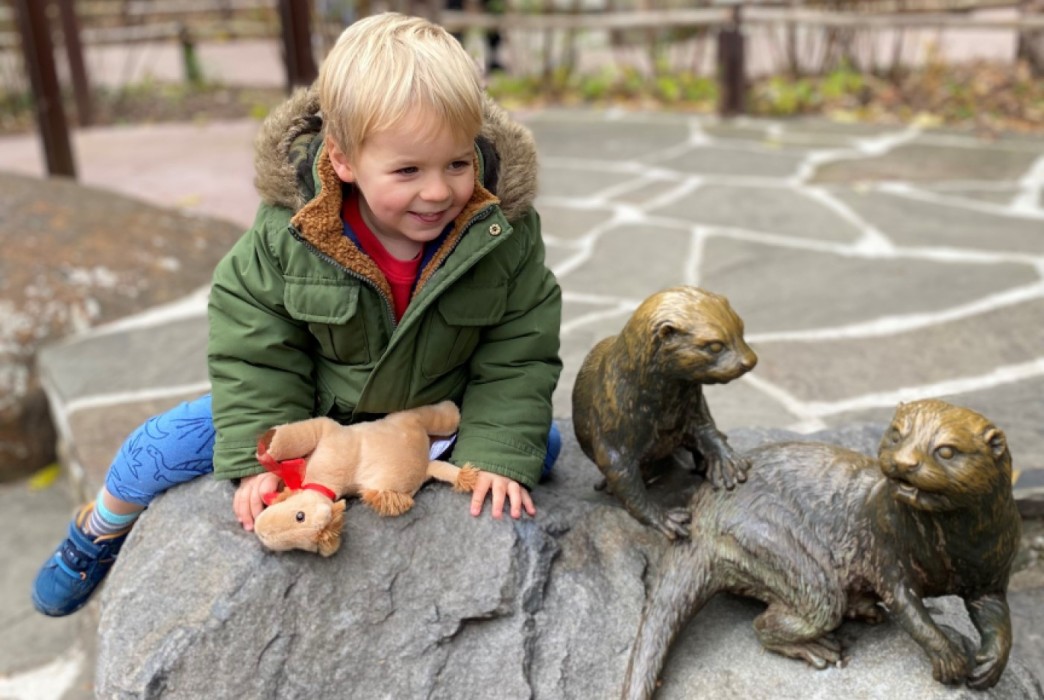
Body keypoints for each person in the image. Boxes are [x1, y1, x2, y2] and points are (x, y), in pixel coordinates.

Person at [32, 12, 562, 618]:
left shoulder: (502, 234)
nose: (438, 191)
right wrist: (265, 455)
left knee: (533, 446)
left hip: (431, 411)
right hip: (315, 407)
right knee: (160, 445)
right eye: (408, 171)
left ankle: (430, 455)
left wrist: (498, 448)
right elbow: (253, 342)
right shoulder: (291, 235)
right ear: (343, 161)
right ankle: (98, 529)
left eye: (457, 164)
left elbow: (521, 345)